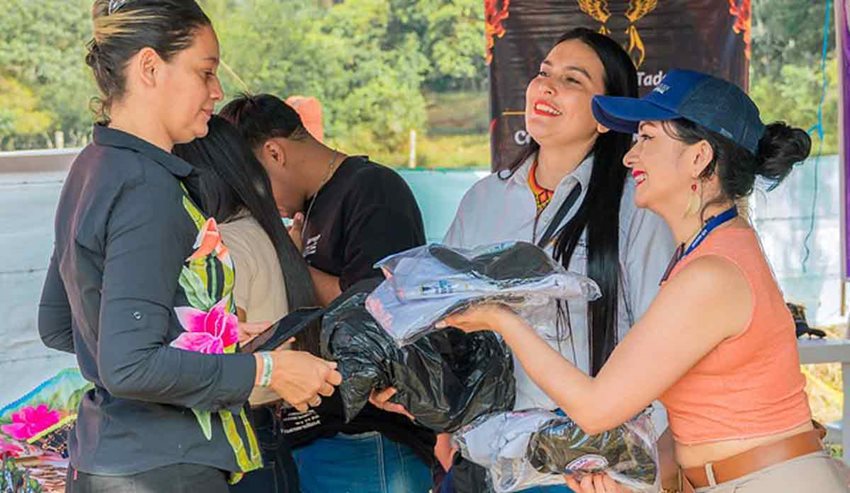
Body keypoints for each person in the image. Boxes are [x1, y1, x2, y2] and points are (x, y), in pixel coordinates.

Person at [440, 69, 847, 493]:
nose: (629, 157)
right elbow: (700, 425)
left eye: (647, 139)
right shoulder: (710, 251)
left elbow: (596, 409)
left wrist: (500, 318)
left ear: (698, 157)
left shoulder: (713, 273)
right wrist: (635, 483)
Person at [37, 2, 339, 491]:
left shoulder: (93, 168)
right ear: (150, 68)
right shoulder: (147, 184)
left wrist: (209, 336)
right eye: (205, 72)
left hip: (106, 458)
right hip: (165, 468)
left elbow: (60, 323)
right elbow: (130, 364)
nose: (216, 93)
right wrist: (267, 368)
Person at [372, 28, 676, 492]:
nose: (547, 87)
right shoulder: (485, 198)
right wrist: (431, 407)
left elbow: (664, 343)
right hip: (485, 453)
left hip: (582, 465)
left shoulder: (636, 205)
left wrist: (632, 460)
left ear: (605, 117)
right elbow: (446, 315)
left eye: (573, 80)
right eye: (543, 73)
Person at [220, 95, 435, 492]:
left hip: (369, 439)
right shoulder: (315, 205)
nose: (257, 201)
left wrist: (291, 260)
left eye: (252, 184)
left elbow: (374, 311)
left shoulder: (372, 190)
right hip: (318, 437)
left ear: (274, 152)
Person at [174, 115, 321, 492]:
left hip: (242, 430)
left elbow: (223, 343)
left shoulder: (226, 242)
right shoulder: (261, 229)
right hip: (270, 431)